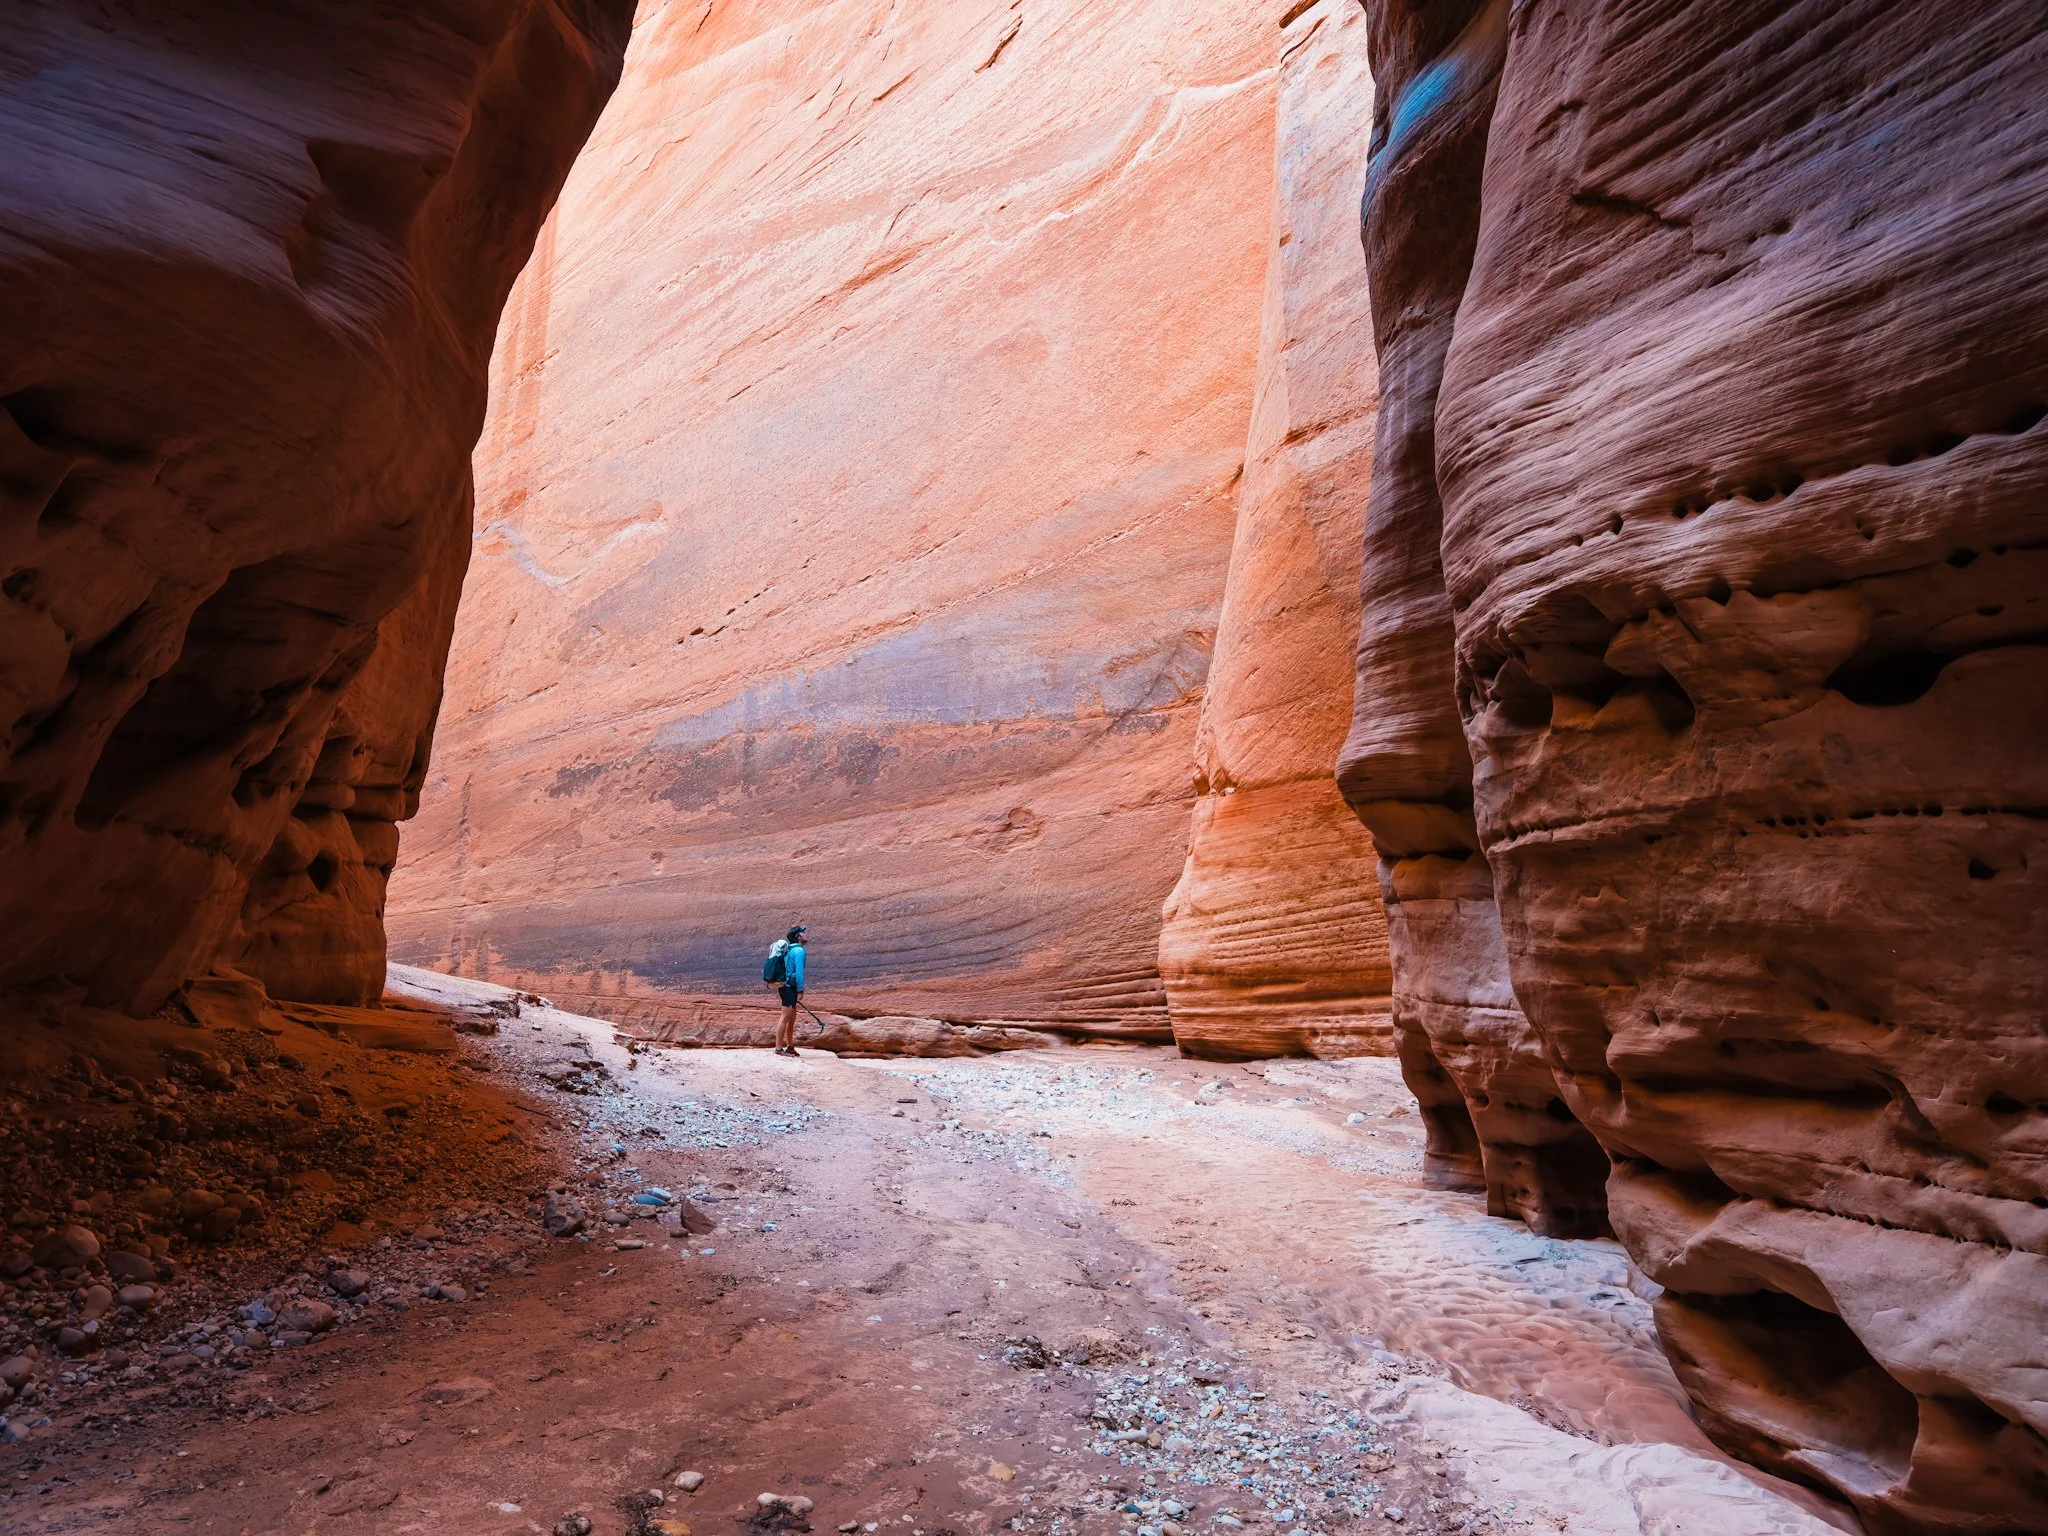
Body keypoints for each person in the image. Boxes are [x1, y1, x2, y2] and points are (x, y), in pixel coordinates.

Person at [769, 924, 807, 1057]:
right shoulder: (799, 951)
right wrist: (800, 990)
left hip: (785, 986)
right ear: (798, 937)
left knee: (792, 1017)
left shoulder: (788, 950)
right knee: (785, 1017)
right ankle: (778, 1048)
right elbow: (799, 973)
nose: (806, 935)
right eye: (803, 933)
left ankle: (790, 1046)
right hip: (790, 988)